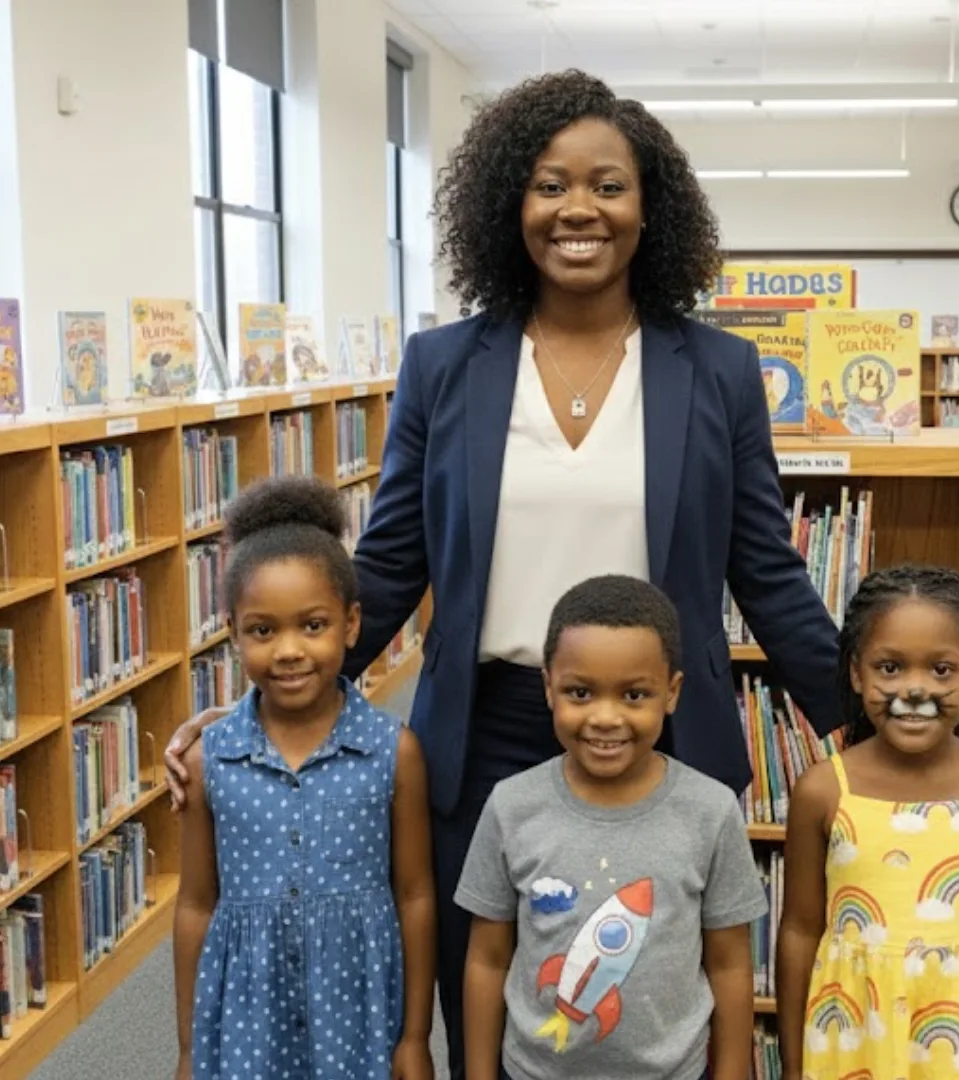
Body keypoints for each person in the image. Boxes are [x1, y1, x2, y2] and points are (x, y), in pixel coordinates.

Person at [164, 68, 842, 1073]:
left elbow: (766, 571)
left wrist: (863, 725)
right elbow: (389, 566)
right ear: (508, 206)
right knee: (478, 994)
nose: (579, 209)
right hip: (480, 736)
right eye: (549, 184)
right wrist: (265, 709)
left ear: (649, 207)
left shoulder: (717, 371)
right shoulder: (446, 366)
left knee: (650, 993)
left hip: (656, 735)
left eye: (608, 186)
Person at [172, 476, 437, 1080]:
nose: (289, 650)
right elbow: (194, 904)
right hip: (246, 1022)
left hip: (357, 1015)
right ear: (233, 635)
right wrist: (189, 1050)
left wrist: (415, 1037)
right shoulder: (208, 760)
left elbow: (416, 895)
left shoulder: (393, 752)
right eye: (263, 631)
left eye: (311, 626)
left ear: (351, 624)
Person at [455, 575, 766, 1080]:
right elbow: (488, 959)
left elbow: (730, 963)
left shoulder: (711, 810)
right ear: (548, 688)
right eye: (580, 692)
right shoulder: (511, 805)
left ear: (672, 693)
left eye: (634, 695)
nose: (605, 717)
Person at [775, 566, 959, 1080]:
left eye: (941, 671)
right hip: (851, 1042)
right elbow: (798, 930)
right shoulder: (822, 791)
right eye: (890, 668)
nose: (915, 690)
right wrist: (792, 1065)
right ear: (857, 674)